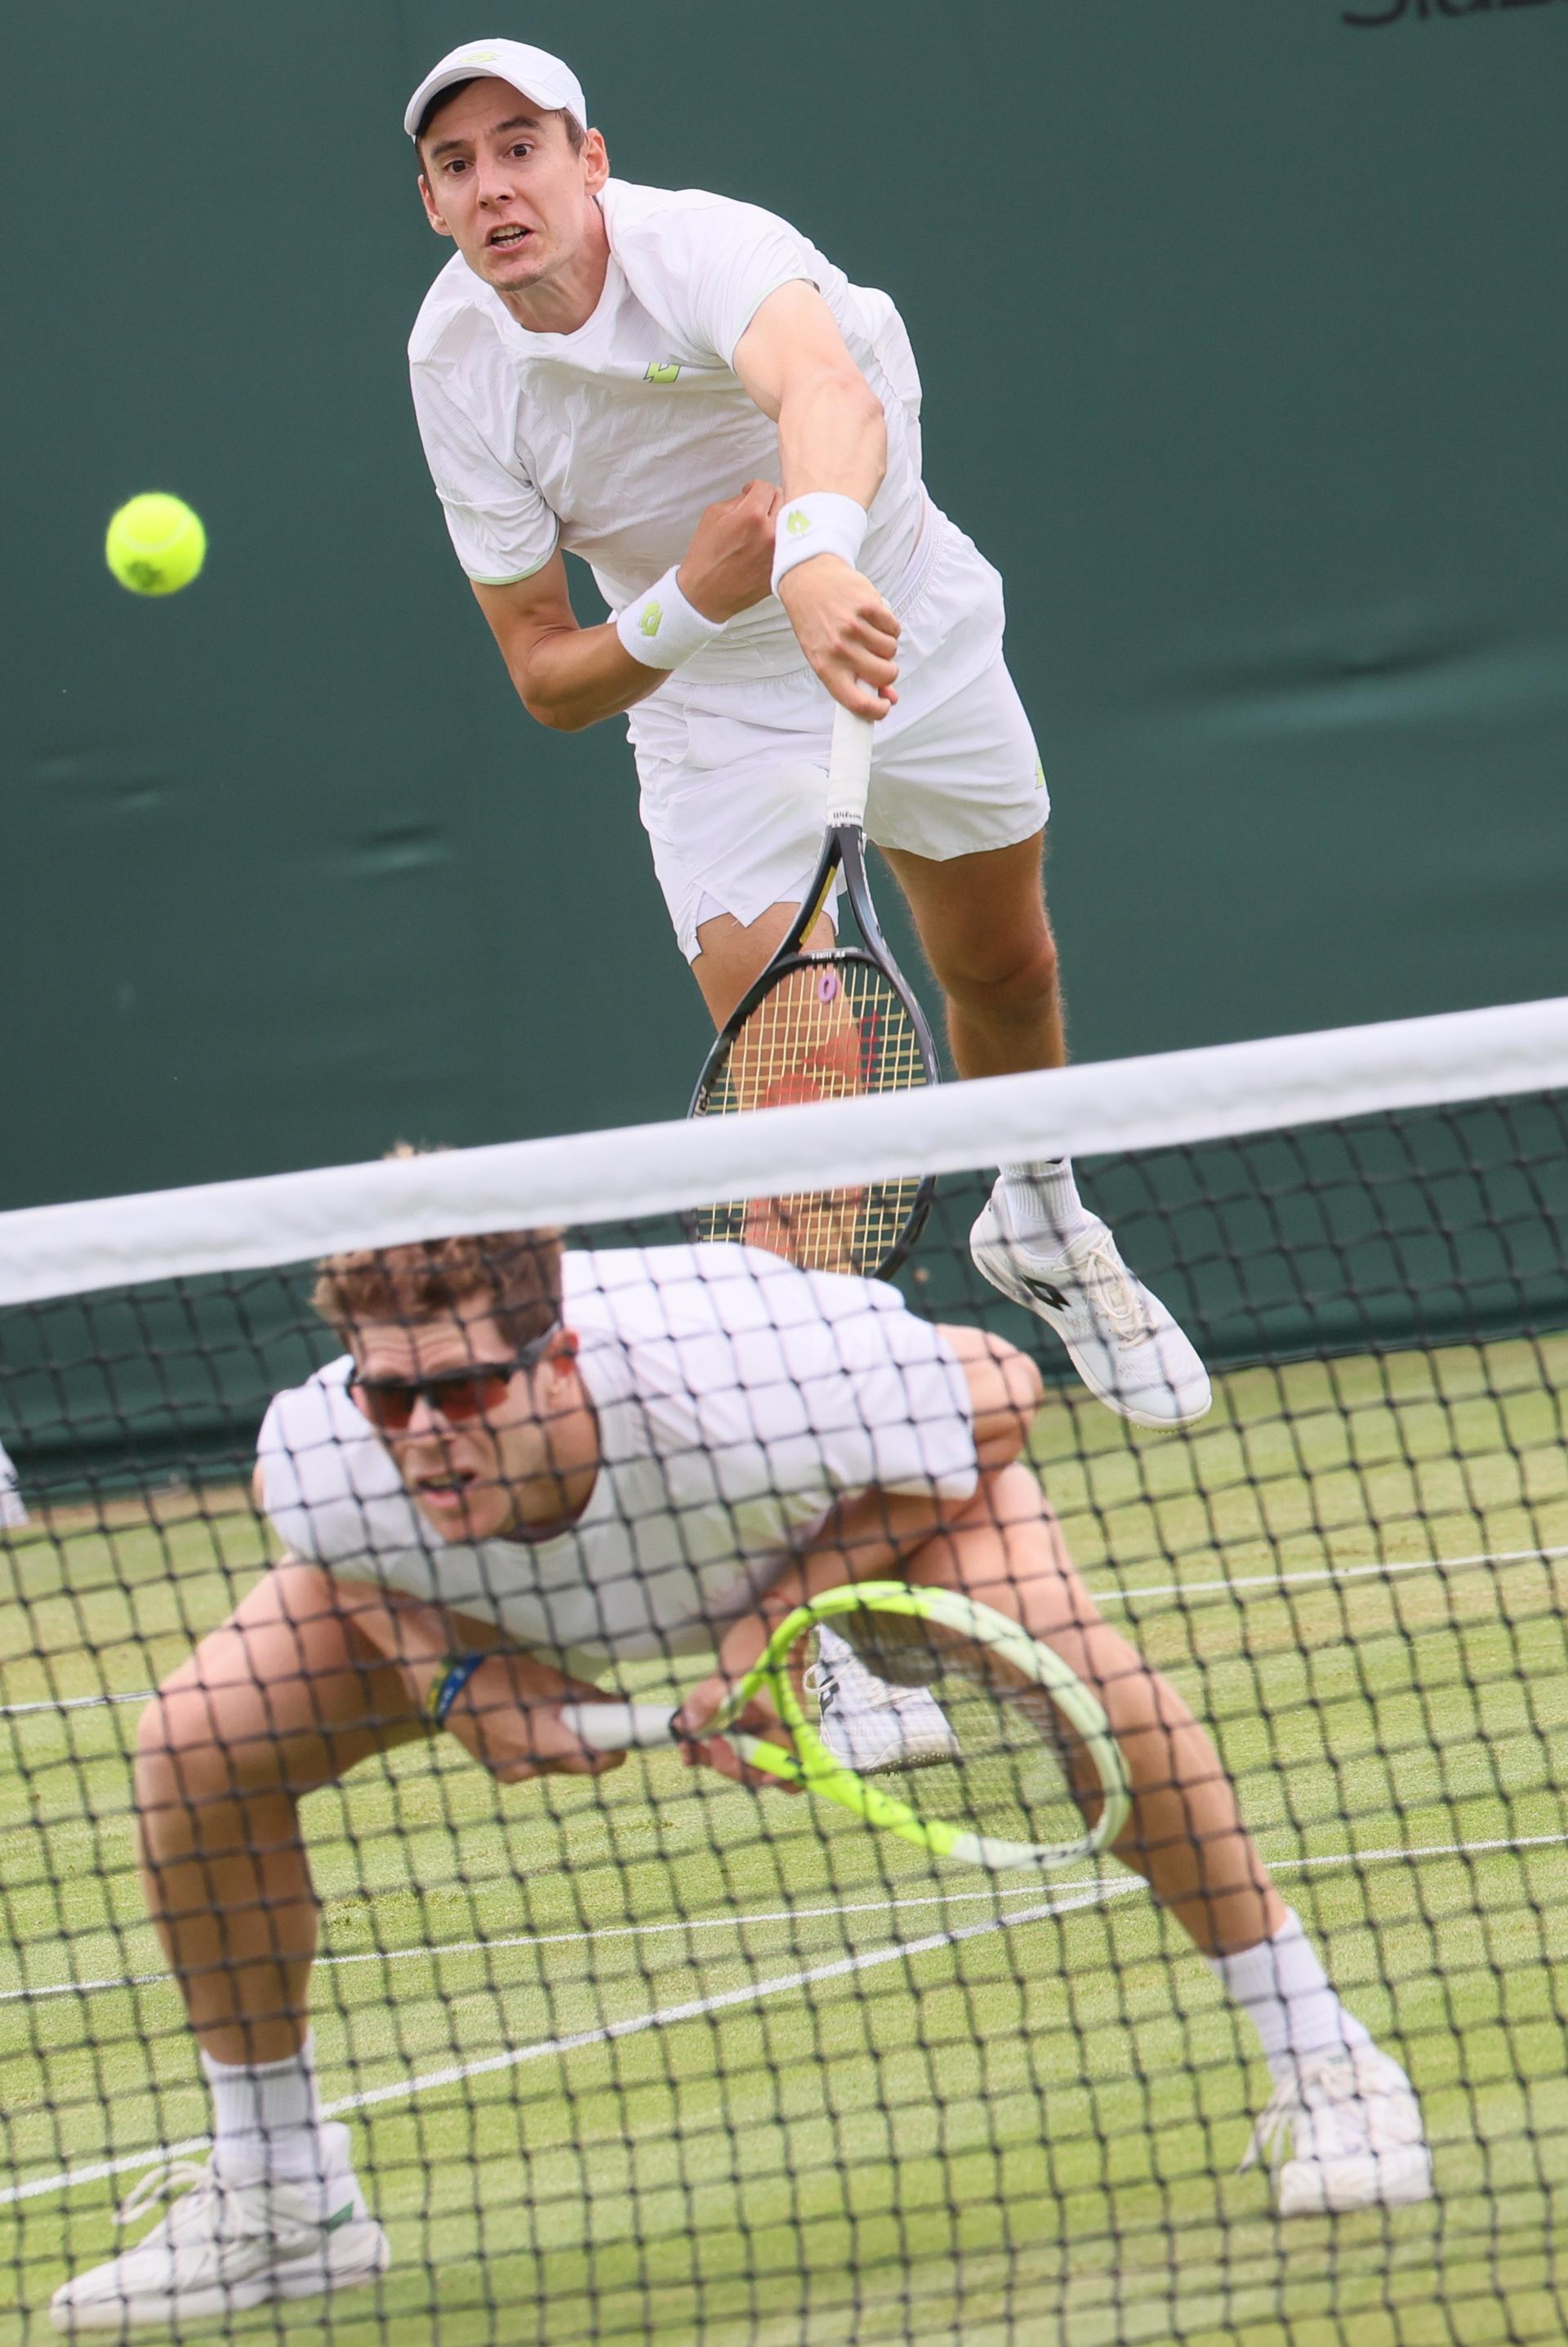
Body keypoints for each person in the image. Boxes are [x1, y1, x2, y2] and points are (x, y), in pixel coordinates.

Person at [51, 1227, 1430, 2331]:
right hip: (540, 1605)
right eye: (393, 1393)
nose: (425, 1430)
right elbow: (333, 1554)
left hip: (834, 1520)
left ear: (559, 1358)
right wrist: (454, 1676)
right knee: (196, 1742)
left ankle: (1328, 2058)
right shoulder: (331, 1452)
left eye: (465, 1387)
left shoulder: (744, 1378)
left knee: (1080, 1675)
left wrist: (775, 1619)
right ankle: (286, 2195)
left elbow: (1003, 1386)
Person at [400, 37, 1211, 1438]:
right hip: (713, 704)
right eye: (456, 166)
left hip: (900, 609)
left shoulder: (708, 245)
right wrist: (694, 599)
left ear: (591, 164)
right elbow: (548, 676)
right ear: (433, 204)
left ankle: (1041, 1217)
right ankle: (820, 1576)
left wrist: (817, 556)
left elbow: (825, 392)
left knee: (1004, 963)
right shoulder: (456, 367)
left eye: (521, 147)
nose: (493, 186)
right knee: (813, 1089)